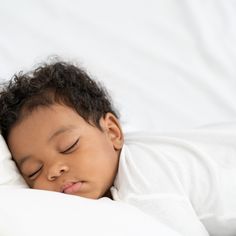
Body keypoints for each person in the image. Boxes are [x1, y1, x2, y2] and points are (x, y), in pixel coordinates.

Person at [0, 61, 236, 236]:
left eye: (68, 146)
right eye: (34, 170)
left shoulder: (140, 175)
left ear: (113, 132)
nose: (54, 170)